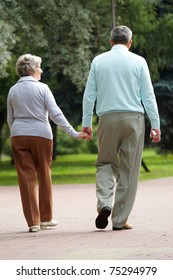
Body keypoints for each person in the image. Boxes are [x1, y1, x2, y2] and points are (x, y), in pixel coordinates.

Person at [82, 25, 161, 231]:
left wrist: (86, 122)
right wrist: (155, 124)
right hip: (133, 118)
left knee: (105, 163)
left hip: (107, 118)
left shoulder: (98, 61)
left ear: (110, 41)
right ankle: (119, 220)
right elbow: (148, 96)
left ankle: (105, 203)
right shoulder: (139, 61)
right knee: (129, 170)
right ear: (130, 42)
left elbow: (89, 94)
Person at [7, 54, 88, 233]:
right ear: (32, 69)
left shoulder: (13, 90)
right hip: (41, 135)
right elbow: (55, 114)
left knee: (26, 177)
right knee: (44, 174)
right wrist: (74, 133)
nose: (41, 70)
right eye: (40, 67)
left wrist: (18, 132)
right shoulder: (43, 88)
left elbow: (10, 118)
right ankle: (45, 218)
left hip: (19, 136)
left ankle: (33, 222)